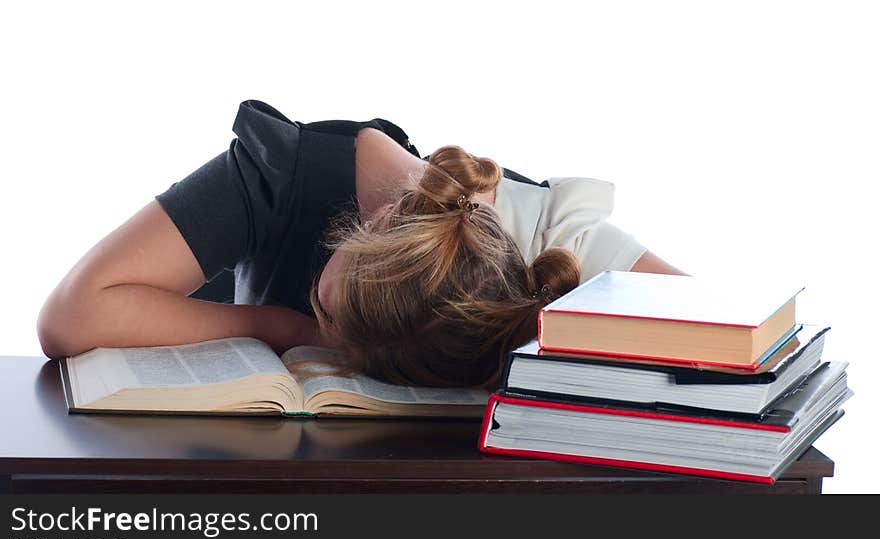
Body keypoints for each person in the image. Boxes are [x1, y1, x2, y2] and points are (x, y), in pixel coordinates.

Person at [37, 100, 686, 388]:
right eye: (325, 303)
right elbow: (70, 315)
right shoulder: (278, 173)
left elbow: (729, 323)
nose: (329, 325)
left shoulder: (559, 240)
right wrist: (287, 325)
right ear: (372, 219)